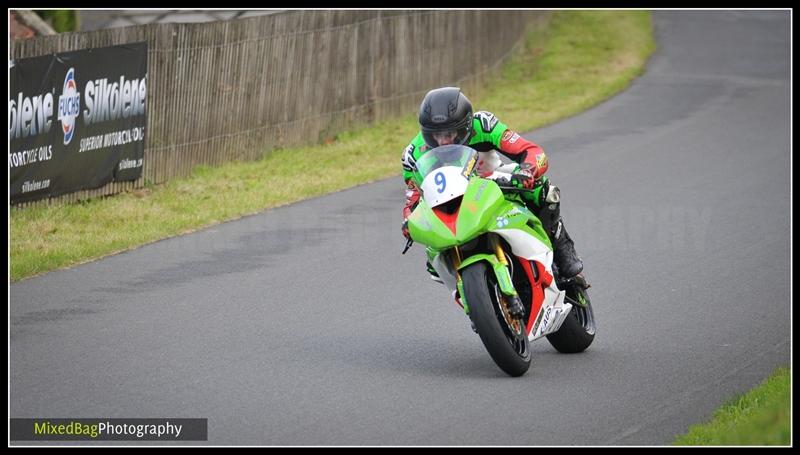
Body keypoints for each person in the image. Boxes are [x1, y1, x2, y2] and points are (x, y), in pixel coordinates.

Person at [401, 87, 583, 315]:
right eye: (435, 134)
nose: (442, 140)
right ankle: (471, 303)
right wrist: (408, 219)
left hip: (492, 180)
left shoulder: (484, 124)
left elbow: (531, 151)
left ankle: (562, 247)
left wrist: (528, 171)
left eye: (450, 133)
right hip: (448, 201)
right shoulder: (412, 154)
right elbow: (414, 196)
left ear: (466, 125)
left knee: (543, 189)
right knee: (431, 255)